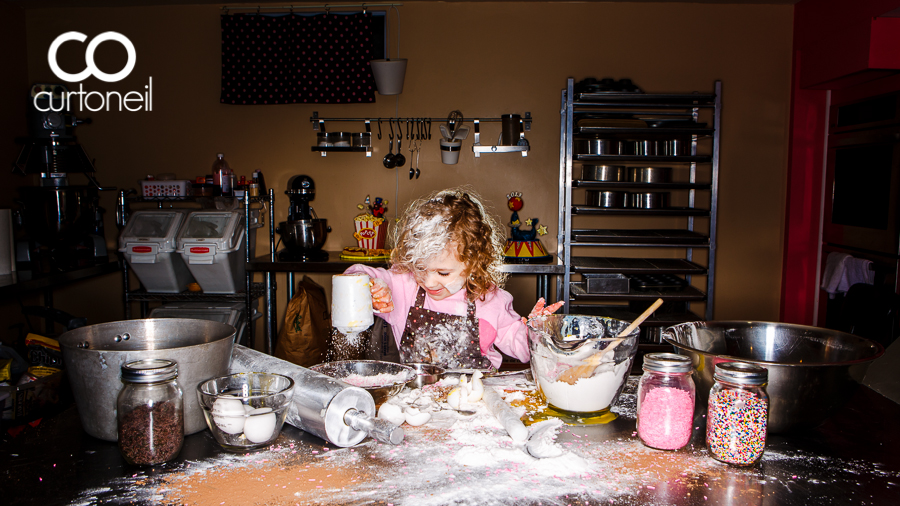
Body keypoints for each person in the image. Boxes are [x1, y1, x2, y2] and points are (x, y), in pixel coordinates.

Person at [343, 187, 562, 370]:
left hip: (475, 406)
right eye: (420, 267)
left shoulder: (491, 301)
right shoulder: (404, 286)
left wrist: (537, 331)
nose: (428, 282)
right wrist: (370, 286)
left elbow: (523, 350)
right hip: (418, 404)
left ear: (473, 262)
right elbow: (356, 275)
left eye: (443, 273)